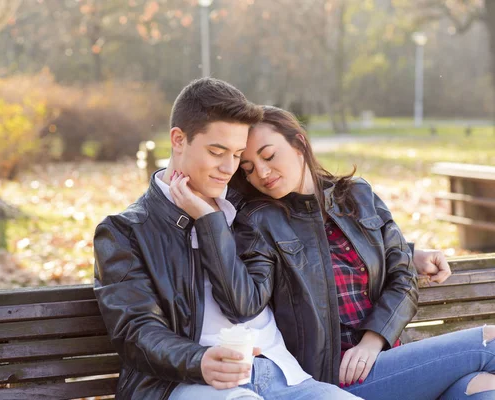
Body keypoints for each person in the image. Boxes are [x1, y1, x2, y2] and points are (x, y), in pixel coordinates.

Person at [93, 78, 361, 399]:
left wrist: (409, 254)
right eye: (216, 151)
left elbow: (308, 240)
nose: (227, 168)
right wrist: (199, 361)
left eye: (236, 154)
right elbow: (135, 331)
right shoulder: (125, 231)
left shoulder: (247, 209)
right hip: (192, 383)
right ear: (178, 140)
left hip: (284, 376)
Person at [225, 105, 495, 400]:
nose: (261, 172)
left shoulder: (357, 195)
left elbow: (402, 276)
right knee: (489, 344)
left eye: (268, 156)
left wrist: (373, 339)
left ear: (299, 143)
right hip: (334, 378)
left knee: (481, 388)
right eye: (248, 169)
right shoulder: (257, 222)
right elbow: (245, 301)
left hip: (389, 358)